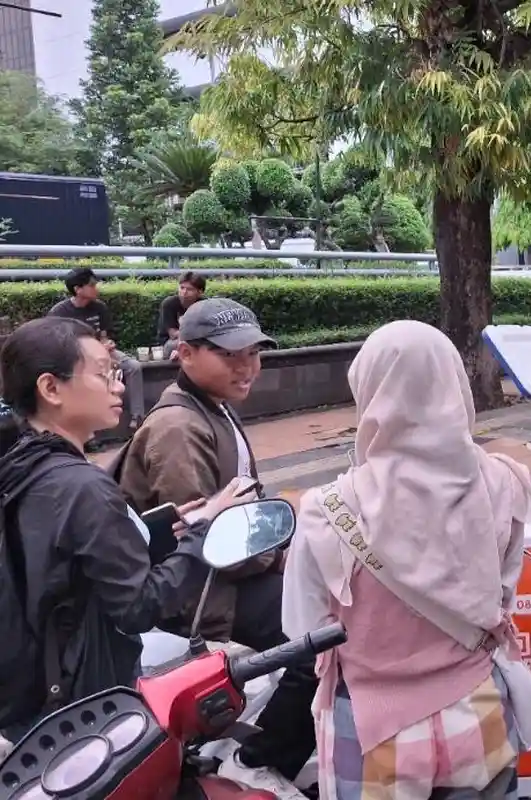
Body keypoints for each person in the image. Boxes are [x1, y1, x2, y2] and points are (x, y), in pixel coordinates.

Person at [281, 321, 531, 799]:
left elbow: (303, 629)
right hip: (479, 711)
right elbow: (503, 592)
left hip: (372, 728)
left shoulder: (327, 510)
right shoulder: (506, 481)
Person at [0, 317, 239, 740]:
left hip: (27, 693)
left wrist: (159, 532)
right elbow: (139, 608)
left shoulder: (23, 465)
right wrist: (207, 534)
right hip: (81, 711)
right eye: (103, 373)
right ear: (50, 389)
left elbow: (62, 562)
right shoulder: (82, 487)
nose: (119, 385)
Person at [111, 298, 316, 786]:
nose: (247, 366)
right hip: (200, 592)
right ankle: (258, 765)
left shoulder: (214, 407)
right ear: (184, 353)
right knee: (319, 644)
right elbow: (211, 538)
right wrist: (282, 557)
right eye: (230, 355)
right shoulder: (179, 428)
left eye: (254, 353)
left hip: (226, 573)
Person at [47, 267, 145, 428]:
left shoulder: (99, 307)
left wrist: (107, 345)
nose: (96, 288)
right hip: (75, 355)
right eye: (92, 285)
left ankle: (138, 417)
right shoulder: (59, 312)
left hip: (102, 351)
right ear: (78, 289)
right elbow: (57, 345)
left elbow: (105, 335)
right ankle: (87, 426)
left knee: (133, 366)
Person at [158, 271, 207, 359]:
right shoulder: (169, 304)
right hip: (171, 341)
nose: (184, 292)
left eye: (189, 289)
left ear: (200, 292)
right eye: (182, 288)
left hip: (196, 339)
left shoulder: (204, 305)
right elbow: (173, 334)